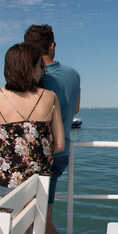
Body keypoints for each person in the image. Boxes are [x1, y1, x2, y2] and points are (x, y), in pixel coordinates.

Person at [24, 24, 80, 234]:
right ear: (52, 45)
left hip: (36, 155)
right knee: (42, 218)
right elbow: (75, 108)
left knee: (33, 220)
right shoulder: (73, 75)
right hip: (61, 153)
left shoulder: (33, 76)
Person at [0, 43, 65, 195]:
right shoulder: (50, 97)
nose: (42, 71)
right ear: (30, 68)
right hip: (38, 187)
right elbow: (60, 145)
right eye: (40, 66)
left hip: (4, 187)